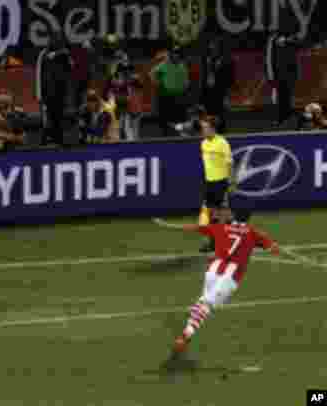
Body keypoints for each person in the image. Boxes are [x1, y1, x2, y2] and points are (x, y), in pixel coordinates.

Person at [162, 207, 280, 355]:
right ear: (249, 218)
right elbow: (273, 248)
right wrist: (273, 246)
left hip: (213, 270)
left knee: (203, 302)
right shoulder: (253, 232)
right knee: (207, 305)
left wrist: (174, 226)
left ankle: (192, 321)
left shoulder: (221, 227)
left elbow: (197, 228)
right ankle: (185, 336)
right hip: (229, 277)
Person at [198, 116, 234, 252]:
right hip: (209, 183)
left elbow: (229, 163)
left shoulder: (222, 142)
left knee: (220, 215)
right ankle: (214, 242)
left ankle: (232, 239)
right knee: (213, 214)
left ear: (212, 128)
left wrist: (231, 181)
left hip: (221, 183)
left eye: (205, 128)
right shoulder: (203, 143)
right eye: (202, 128)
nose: (203, 130)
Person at [36, 30, 74, 146]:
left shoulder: (64, 55)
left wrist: (63, 54)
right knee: (47, 119)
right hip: (47, 94)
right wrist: (39, 94)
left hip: (60, 94)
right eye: (55, 38)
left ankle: (59, 141)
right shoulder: (44, 54)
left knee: (59, 118)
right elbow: (39, 75)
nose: (57, 41)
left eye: (59, 39)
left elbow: (70, 68)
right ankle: (45, 141)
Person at [104, 49, 143, 141]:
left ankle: (132, 142)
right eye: (123, 69)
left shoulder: (134, 78)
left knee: (131, 129)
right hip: (118, 106)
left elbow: (139, 87)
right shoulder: (113, 77)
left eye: (128, 69)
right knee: (117, 126)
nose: (126, 71)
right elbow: (108, 91)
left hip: (131, 107)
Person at [151, 47, 190, 138]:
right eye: (174, 53)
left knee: (180, 118)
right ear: (171, 55)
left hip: (180, 95)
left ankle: (180, 135)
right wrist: (158, 83)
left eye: (177, 54)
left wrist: (186, 86)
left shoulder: (182, 65)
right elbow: (152, 73)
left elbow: (186, 79)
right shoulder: (164, 65)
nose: (176, 55)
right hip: (167, 96)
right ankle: (166, 137)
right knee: (166, 119)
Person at [265, 29, 301, 127]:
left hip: (290, 73)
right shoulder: (273, 39)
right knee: (279, 97)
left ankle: (288, 116)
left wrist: (288, 40)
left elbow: (299, 45)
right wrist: (270, 74)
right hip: (278, 74)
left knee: (289, 96)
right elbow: (269, 57)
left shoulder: (293, 38)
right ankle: (279, 117)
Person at [200, 38, 235, 133]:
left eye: (215, 46)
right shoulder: (206, 58)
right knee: (209, 114)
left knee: (220, 114)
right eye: (211, 46)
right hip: (208, 91)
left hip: (220, 90)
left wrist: (227, 93)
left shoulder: (226, 60)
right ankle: (210, 131)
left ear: (219, 48)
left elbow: (230, 77)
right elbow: (203, 76)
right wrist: (202, 93)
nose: (212, 48)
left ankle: (221, 132)